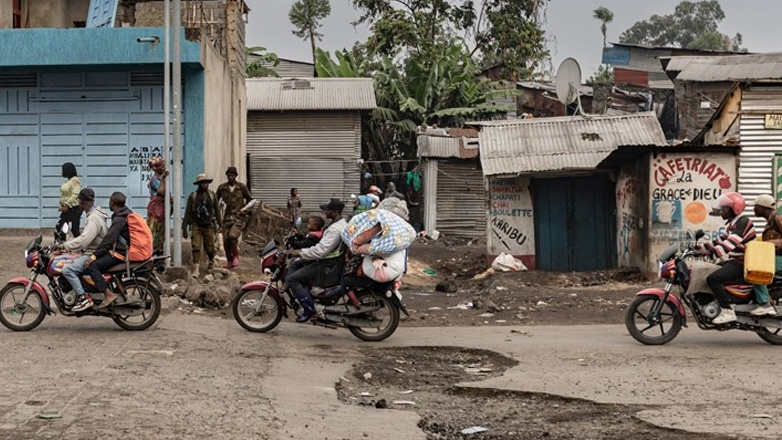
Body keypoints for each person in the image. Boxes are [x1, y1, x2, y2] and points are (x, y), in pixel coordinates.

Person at [285, 199, 348, 322]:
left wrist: (300, 252)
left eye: (327, 210)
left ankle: (309, 310)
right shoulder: (340, 224)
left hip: (327, 266)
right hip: (329, 262)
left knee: (292, 279)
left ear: (335, 212)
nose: (325, 212)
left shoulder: (335, 229)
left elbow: (321, 251)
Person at [700, 192, 757, 324]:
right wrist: (700, 248)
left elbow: (729, 244)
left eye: (724, 209)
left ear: (734, 209)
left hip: (742, 262)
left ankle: (727, 310)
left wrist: (711, 253)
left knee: (713, 278)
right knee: (708, 272)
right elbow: (720, 240)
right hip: (735, 260)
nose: (721, 212)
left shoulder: (743, 222)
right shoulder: (732, 224)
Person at [53, 188, 109, 312]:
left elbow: (84, 240)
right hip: (92, 250)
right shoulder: (96, 214)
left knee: (68, 270)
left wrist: (64, 246)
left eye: (78, 200)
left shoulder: (93, 218)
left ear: (82, 201)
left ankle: (83, 298)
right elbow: (85, 238)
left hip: (92, 253)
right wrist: (69, 246)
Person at [83, 192, 133, 310]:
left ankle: (108, 294)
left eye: (110, 201)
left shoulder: (119, 218)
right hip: (119, 250)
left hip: (119, 253)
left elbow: (109, 240)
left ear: (113, 203)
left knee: (91, 266)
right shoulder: (124, 213)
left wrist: (94, 255)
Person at [183, 173, 221, 277]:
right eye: (202, 183)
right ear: (199, 184)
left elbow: (217, 210)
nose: (205, 185)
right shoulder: (193, 196)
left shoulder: (212, 196)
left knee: (210, 248)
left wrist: (220, 223)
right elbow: (188, 212)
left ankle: (211, 261)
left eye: (206, 183)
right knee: (196, 247)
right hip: (196, 225)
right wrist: (184, 228)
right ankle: (196, 269)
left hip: (208, 225)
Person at [216, 166, 253, 269]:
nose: (230, 177)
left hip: (238, 217)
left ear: (235, 176)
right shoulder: (222, 188)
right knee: (226, 240)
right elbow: (215, 200)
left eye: (232, 175)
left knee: (232, 236)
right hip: (227, 217)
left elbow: (250, 200)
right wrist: (216, 212)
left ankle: (236, 256)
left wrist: (246, 210)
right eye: (229, 175)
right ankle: (229, 261)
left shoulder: (241, 187)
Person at [751, 194, 781, 316]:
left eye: (755, 206)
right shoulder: (770, 221)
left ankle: (765, 304)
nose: (753, 209)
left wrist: (772, 243)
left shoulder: (778, 218)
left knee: (757, 270)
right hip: (775, 256)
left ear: (763, 207)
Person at [146, 156, 168, 256]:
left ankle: (159, 253)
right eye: (161, 166)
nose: (163, 167)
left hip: (161, 209)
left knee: (161, 233)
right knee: (152, 232)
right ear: (155, 168)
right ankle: (150, 253)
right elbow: (161, 191)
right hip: (155, 210)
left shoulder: (160, 178)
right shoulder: (154, 180)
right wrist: (163, 178)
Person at [56, 162, 82, 242]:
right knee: (60, 226)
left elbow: (76, 194)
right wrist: (62, 204)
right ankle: (61, 244)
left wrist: (67, 204)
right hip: (66, 209)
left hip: (73, 209)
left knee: (74, 229)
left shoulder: (75, 181)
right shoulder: (69, 181)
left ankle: (81, 245)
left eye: (63, 170)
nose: (61, 172)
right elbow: (65, 195)